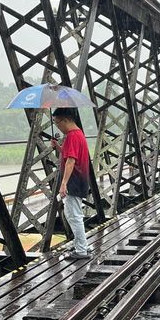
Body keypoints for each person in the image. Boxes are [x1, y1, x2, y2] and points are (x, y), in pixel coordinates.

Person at [51, 108, 91, 260]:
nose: (57, 126)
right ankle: (82, 246)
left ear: (66, 120)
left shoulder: (72, 136)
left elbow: (71, 161)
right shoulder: (78, 134)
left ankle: (81, 250)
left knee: (74, 216)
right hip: (79, 180)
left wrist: (63, 184)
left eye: (57, 122)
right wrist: (58, 147)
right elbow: (69, 155)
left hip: (74, 181)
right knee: (73, 214)